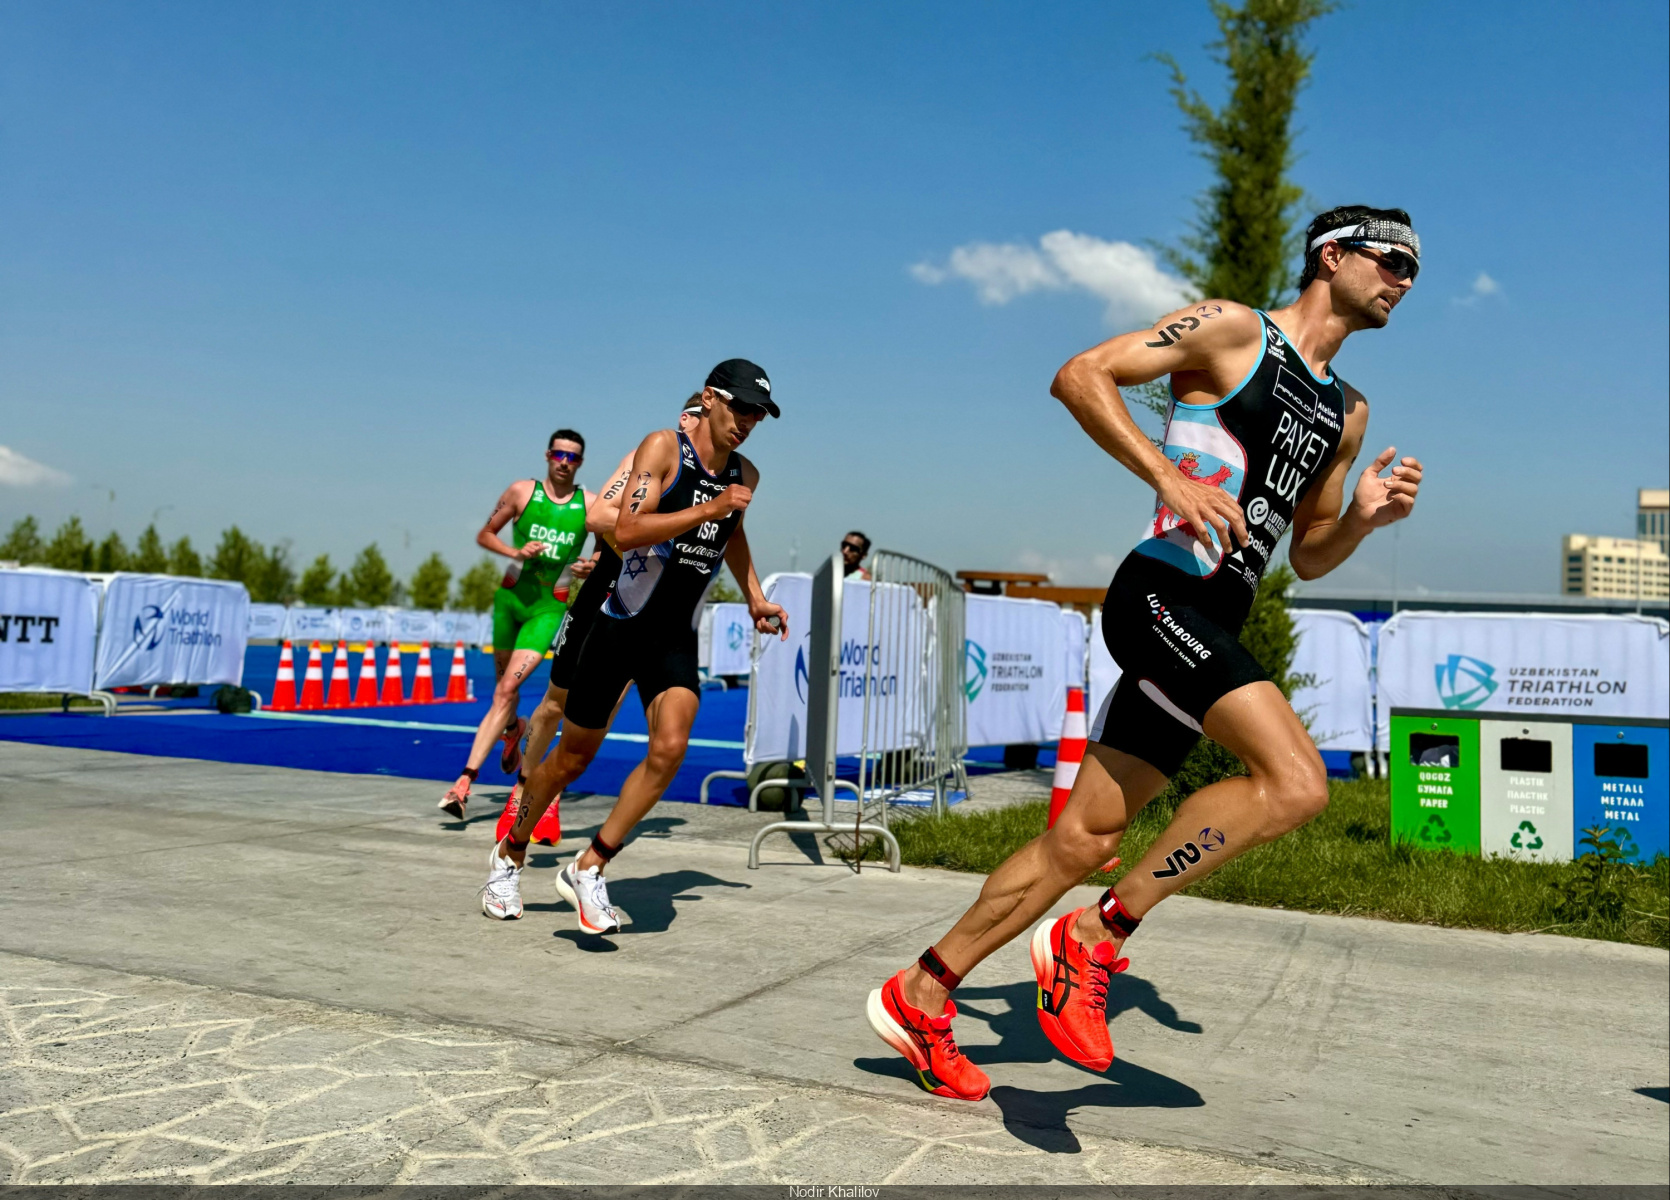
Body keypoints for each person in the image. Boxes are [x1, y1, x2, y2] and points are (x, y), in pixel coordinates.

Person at [866, 205, 1427, 1101]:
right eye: (1392, 259)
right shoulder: (1237, 330)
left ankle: (922, 992)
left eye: (1414, 272)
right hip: (1159, 595)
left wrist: (1361, 517)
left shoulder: (1347, 412)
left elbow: (1310, 554)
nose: (1404, 280)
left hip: (1214, 620)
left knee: (1082, 840)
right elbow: (1080, 376)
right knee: (1297, 782)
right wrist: (1166, 477)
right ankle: (1095, 936)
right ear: (1331, 254)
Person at [481, 359, 789, 924]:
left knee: (671, 745)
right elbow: (622, 528)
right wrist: (711, 506)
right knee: (570, 761)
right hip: (622, 619)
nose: (746, 422)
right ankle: (510, 852)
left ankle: (591, 864)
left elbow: (732, 533)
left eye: (757, 414)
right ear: (709, 398)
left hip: (672, 630)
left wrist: (753, 597)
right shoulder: (663, 449)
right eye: (739, 407)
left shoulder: (746, 474)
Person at [494, 395, 708, 846]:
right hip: (607, 583)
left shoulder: (716, 478)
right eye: (697, 417)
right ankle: (523, 791)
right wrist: (662, 524)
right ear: (685, 417)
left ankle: (546, 801)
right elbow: (598, 516)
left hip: (647, 601)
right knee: (556, 701)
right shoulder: (648, 454)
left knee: (599, 714)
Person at [438, 430, 611, 819]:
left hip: (549, 606)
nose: (565, 462)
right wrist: (514, 550)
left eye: (573, 457)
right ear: (548, 456)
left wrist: (589, 566)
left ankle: (463, 783)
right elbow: (486, 534)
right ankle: (513, 729)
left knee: (507, 686)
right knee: (504, 696)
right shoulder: (521, 492)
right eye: (559, 454)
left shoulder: (591, 504)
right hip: (510, 600)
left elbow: (605, 552)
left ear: (580, 463)